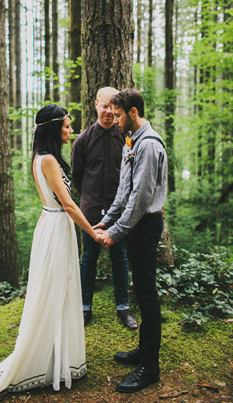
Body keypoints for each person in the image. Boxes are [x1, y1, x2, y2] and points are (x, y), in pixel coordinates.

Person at [0, 105, 102, 400]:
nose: (72, 131)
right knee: (54, 290)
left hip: (53, 225)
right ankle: (45, 361)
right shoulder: (48, 161)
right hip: (56, 227)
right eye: (68, 126)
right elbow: (69, 205)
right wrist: (93, 233)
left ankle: (55, 356)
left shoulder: (43, 157)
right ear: (53, 129)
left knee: (60, 290)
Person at [94, 88, 167, 393]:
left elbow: (139, 199)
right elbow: (124, 190)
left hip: (146, 225)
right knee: (142, 291)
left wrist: (115, 232)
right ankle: (143, 350)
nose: (115, 118)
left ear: (133, 113)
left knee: (148, 295)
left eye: (120, 113)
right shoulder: (131, 141)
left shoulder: (148, 146)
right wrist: (108, 220)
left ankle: (150, 367)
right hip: (132, 224)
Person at [72, 87, 138, 330]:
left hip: (119, 213)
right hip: (89, 212)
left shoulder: (126, 137)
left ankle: (123, 308)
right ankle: (84, 308)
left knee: (120, 259)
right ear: (96, 105)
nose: (108, 111)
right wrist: (90, 198)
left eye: (113, 106)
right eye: (104, 105)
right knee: (88, 259)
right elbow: (76, 177)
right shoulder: (83, 140)